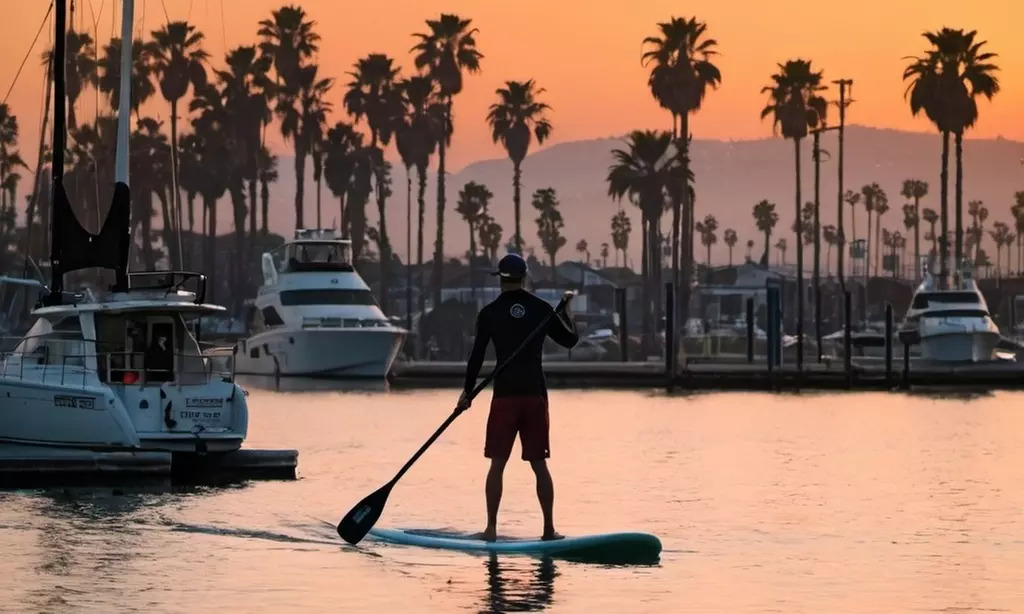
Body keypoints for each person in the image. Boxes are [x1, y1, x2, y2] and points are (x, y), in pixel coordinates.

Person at [458, 253, 579, 542]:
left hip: (505, 396)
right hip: (534, 396)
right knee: (539, 464)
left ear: (500, 279)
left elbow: (476, 357)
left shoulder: (489, 312)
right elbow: (570, 340)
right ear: (524, 277)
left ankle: (490, 529)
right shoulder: (542, 309)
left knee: (497, 464)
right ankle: (549, 530)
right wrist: (566, 313)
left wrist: (467, 392)